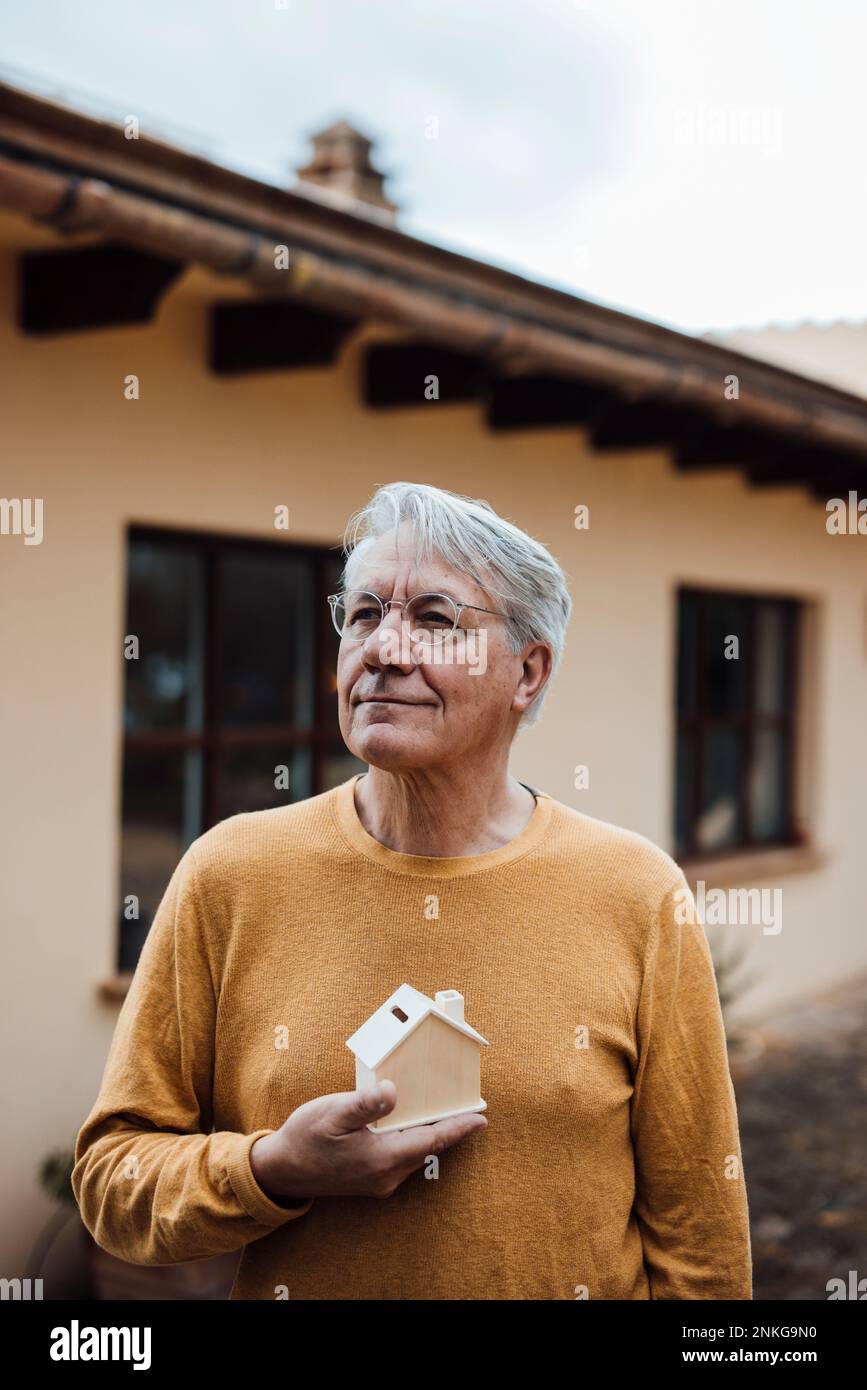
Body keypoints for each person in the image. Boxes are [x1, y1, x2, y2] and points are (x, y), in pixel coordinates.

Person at [72, 480, 752, 1299]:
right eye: (362, 615)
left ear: (527, 672)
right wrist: (273, 1169)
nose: (383, 649)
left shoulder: (636, 892)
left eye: (434, 619)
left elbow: (699, 1234)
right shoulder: (231, 872)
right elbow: (114, 1179)